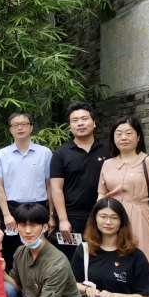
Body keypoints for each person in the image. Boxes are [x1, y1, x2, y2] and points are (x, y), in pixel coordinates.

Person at [98, 116, 149, 270]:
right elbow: (101, 195)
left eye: (129, 133)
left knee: (139, 259)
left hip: (139, 216)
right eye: (118, 134)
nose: (123, 137)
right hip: (110, 217)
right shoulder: (107, 164)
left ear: (138, 137)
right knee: (110, 259)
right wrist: (97, 220)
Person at [0, 112, 54, 272]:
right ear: (10, 129)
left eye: (24, 124)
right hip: (13, 209)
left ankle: (40, 281)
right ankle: (15, 283)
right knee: (13, 250)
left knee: (39, 249)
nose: (20, 128)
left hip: (39, 208)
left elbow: (50, 185)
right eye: (15, 125)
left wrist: (51, 214)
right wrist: (6, 214)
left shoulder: (45, 153)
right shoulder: (2, 154)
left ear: (31, 127)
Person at [51, 102, 111, 263]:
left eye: (84, 118)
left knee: (102, 258)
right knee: (73, 261)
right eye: (75, 120)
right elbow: (56, 188)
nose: (80, 123)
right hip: (72, 217)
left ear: (94, 122)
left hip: (104, 214)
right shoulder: (61, 153)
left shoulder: (108, 150)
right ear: (70, 126)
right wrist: (63, 220)